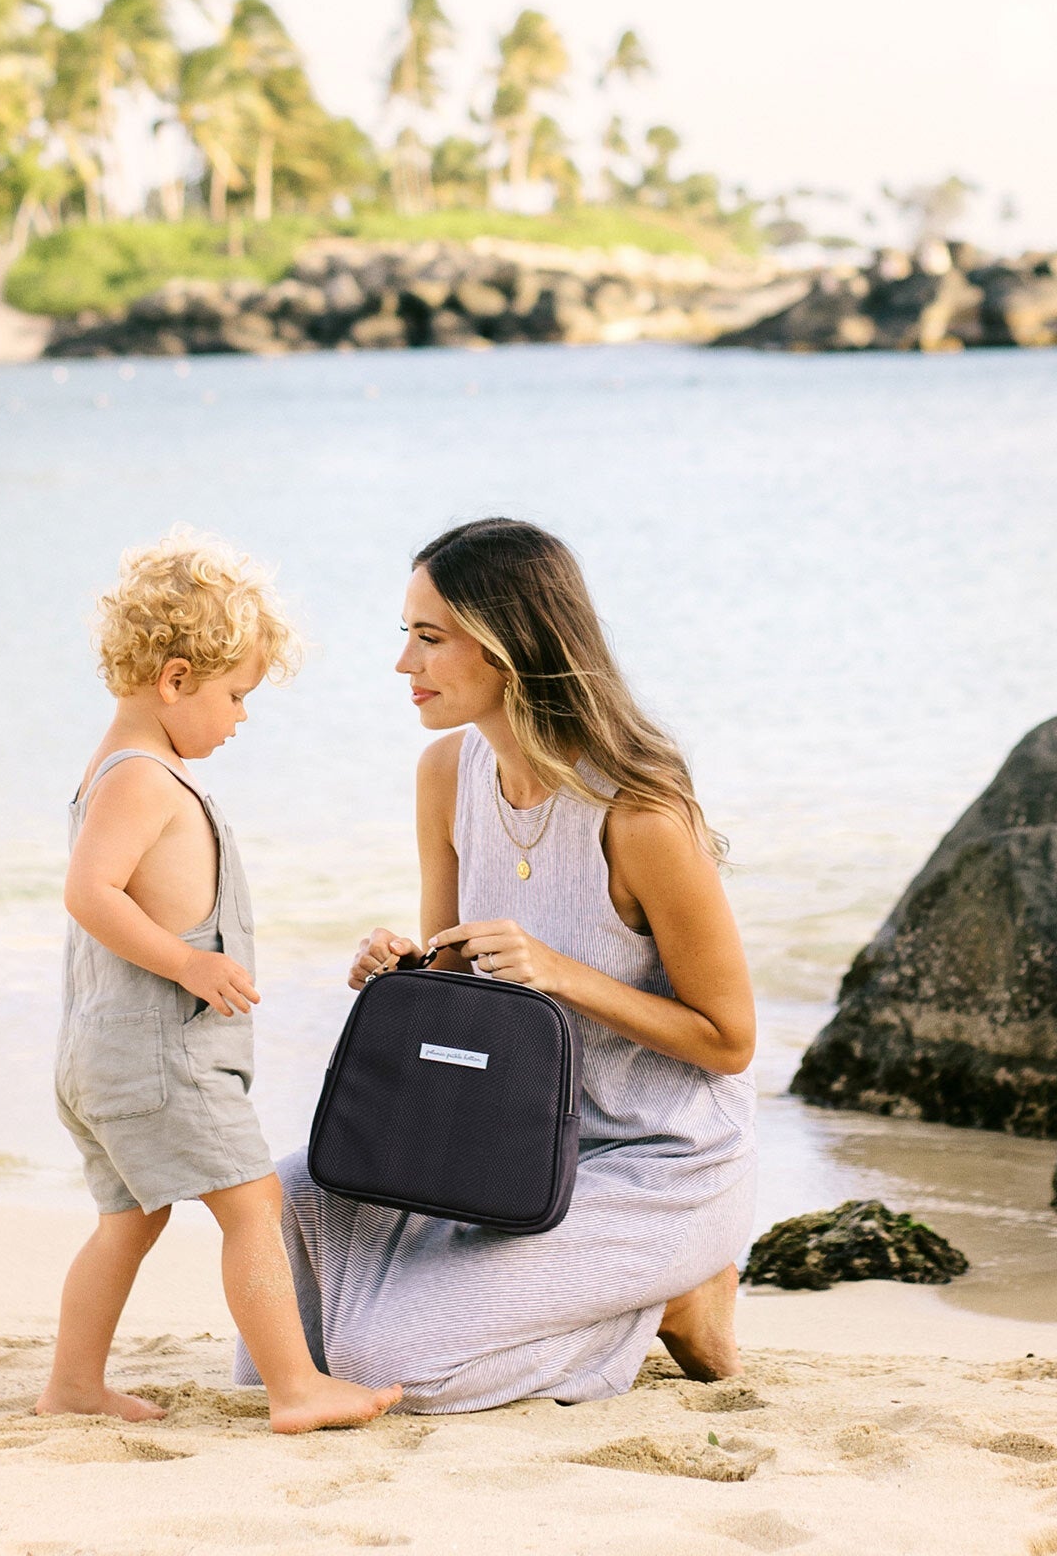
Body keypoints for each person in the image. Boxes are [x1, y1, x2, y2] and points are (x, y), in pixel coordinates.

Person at [239, 517, 757, 1413]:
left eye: (429, 638)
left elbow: (730, 1039)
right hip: (494, 1140)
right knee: (283, 1208)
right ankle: (489, 1293)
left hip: (649, 1160)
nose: (406, 664)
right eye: (406, 634)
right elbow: (460, 1004)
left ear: (513, 645)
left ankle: (680, 1293)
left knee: (379, 1361)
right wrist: (404, 974)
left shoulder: (639, 817)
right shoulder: (445, 773)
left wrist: (560, 971)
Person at [38, 530, 402, 1433]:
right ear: (173, 680)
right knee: (253, 1203)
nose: (241, 716)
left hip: (100, 1056)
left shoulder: (112, 768)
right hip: (159, 1056)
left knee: (129, 1222)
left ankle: (74, 1386)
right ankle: (296, 1388)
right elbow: (90, 892)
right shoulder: (144, 779)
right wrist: (189, 960)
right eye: (236, 694)